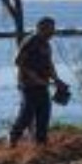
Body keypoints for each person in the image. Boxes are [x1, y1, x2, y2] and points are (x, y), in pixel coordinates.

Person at [9, 17, 67, 148]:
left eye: (53, 29)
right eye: (50, 29)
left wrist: (57, 80)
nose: (53, 32)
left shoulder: (46, 44)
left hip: (43, 85)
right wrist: (34, 77)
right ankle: (13, 139)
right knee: (26, 114)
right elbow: (18, 62)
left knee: (44, 114)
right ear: (41, 28)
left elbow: (49, 64)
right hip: (28, 85)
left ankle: (41, 144)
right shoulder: (30, 41)